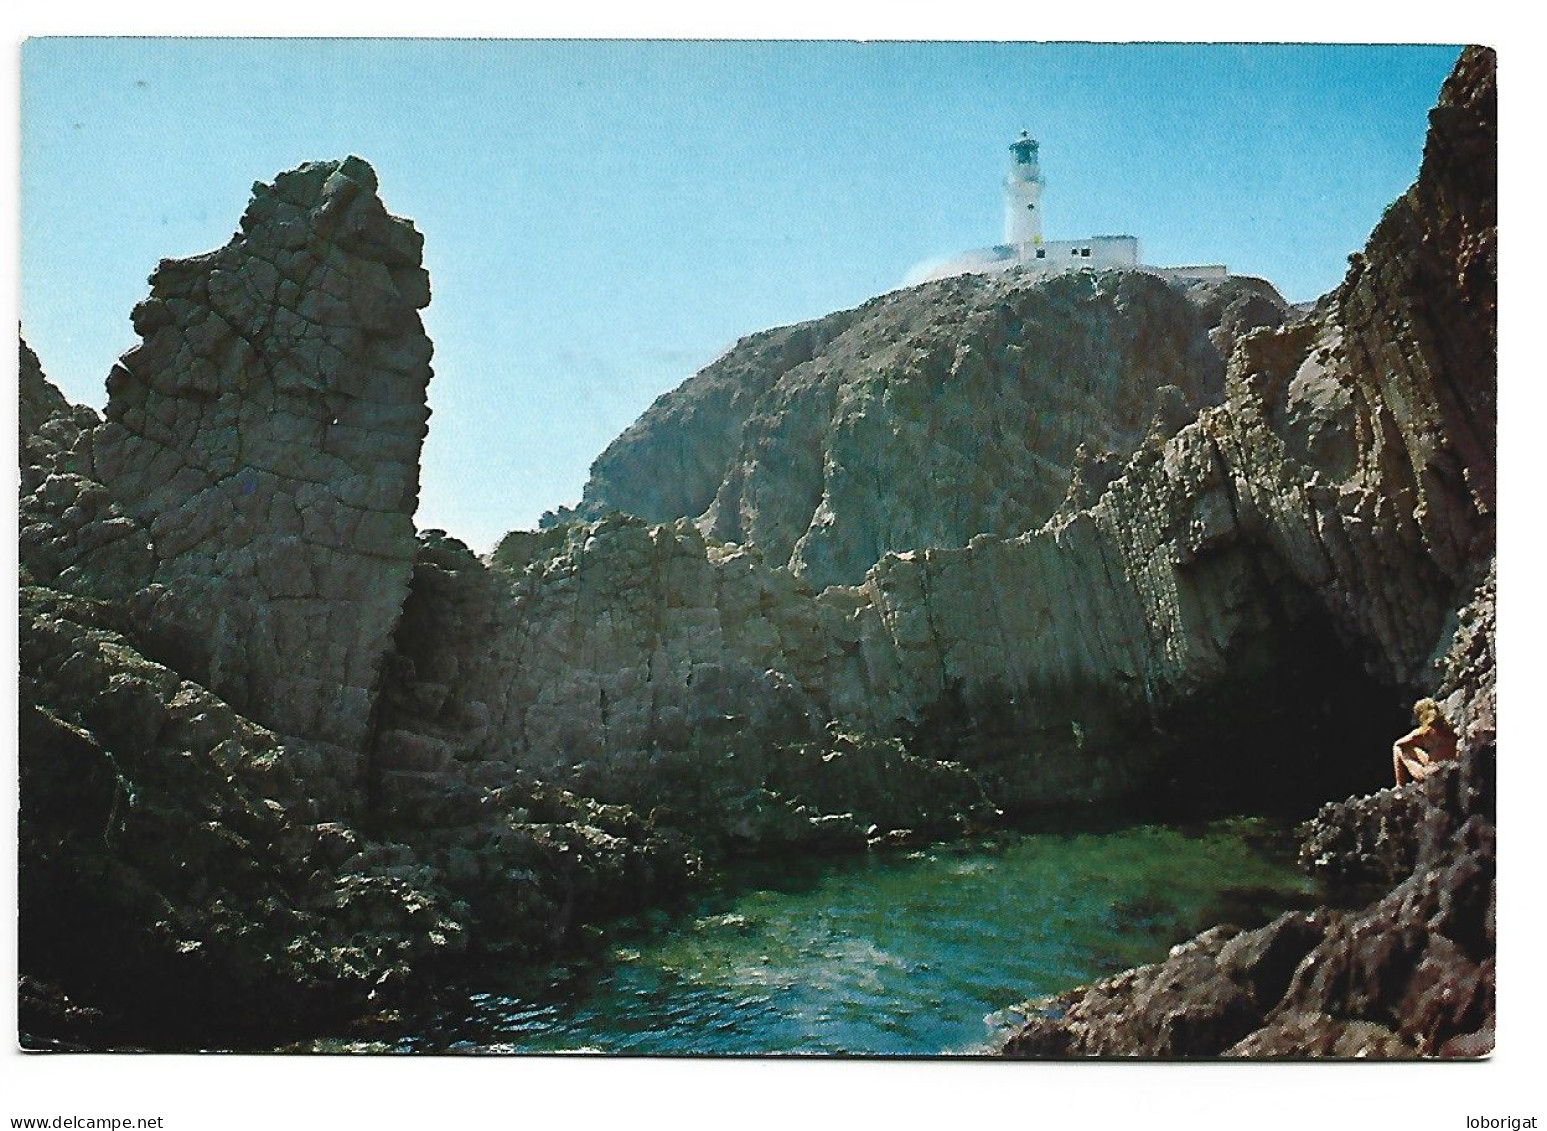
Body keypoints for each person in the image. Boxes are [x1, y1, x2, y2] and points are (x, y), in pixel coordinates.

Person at [1391, 697, 1459, 786]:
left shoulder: (1425, 731)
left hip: (1434, 773)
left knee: (1401, 750)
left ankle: (1399, 785)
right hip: (1451, 768)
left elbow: (1398, 744)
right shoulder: (1448, 727)